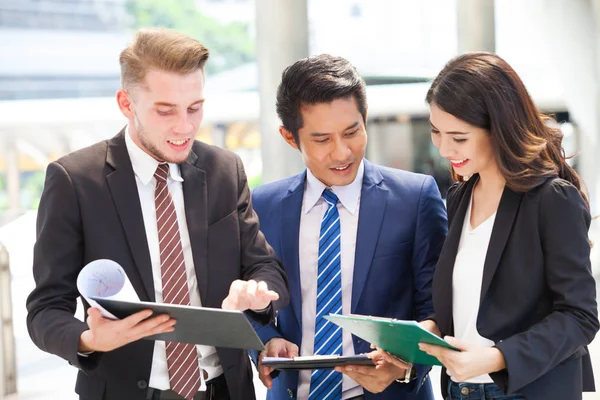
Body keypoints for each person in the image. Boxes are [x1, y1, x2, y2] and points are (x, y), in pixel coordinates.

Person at [26, 28, 289, 400]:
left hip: (225, 390)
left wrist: (259, 293)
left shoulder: (224, 170)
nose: (184, 126)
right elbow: (45, 309)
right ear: (126, 103)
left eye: (195, 108)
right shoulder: (75, 181)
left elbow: (266, 268)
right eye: (165, 110)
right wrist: (88, 339)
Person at [382, 52, 599, 400]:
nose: (444, 149)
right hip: (460, 391)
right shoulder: (459, 197)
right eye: (436, 132)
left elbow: (579, 316)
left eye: (459, 137)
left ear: (498, 129)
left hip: (526, 391)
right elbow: (465, 305)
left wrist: (497, 358)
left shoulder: (551, 199)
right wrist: (424, 334)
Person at [249, 54, 448, 400]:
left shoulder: (415, 199)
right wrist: (265, 342)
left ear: (365, 119)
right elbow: (250, 304)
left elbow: (438, 310)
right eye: (322, 139)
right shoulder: (262, 205)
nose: (342, 153)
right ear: (289, 137)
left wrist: (404, 366)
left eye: (352, 132)